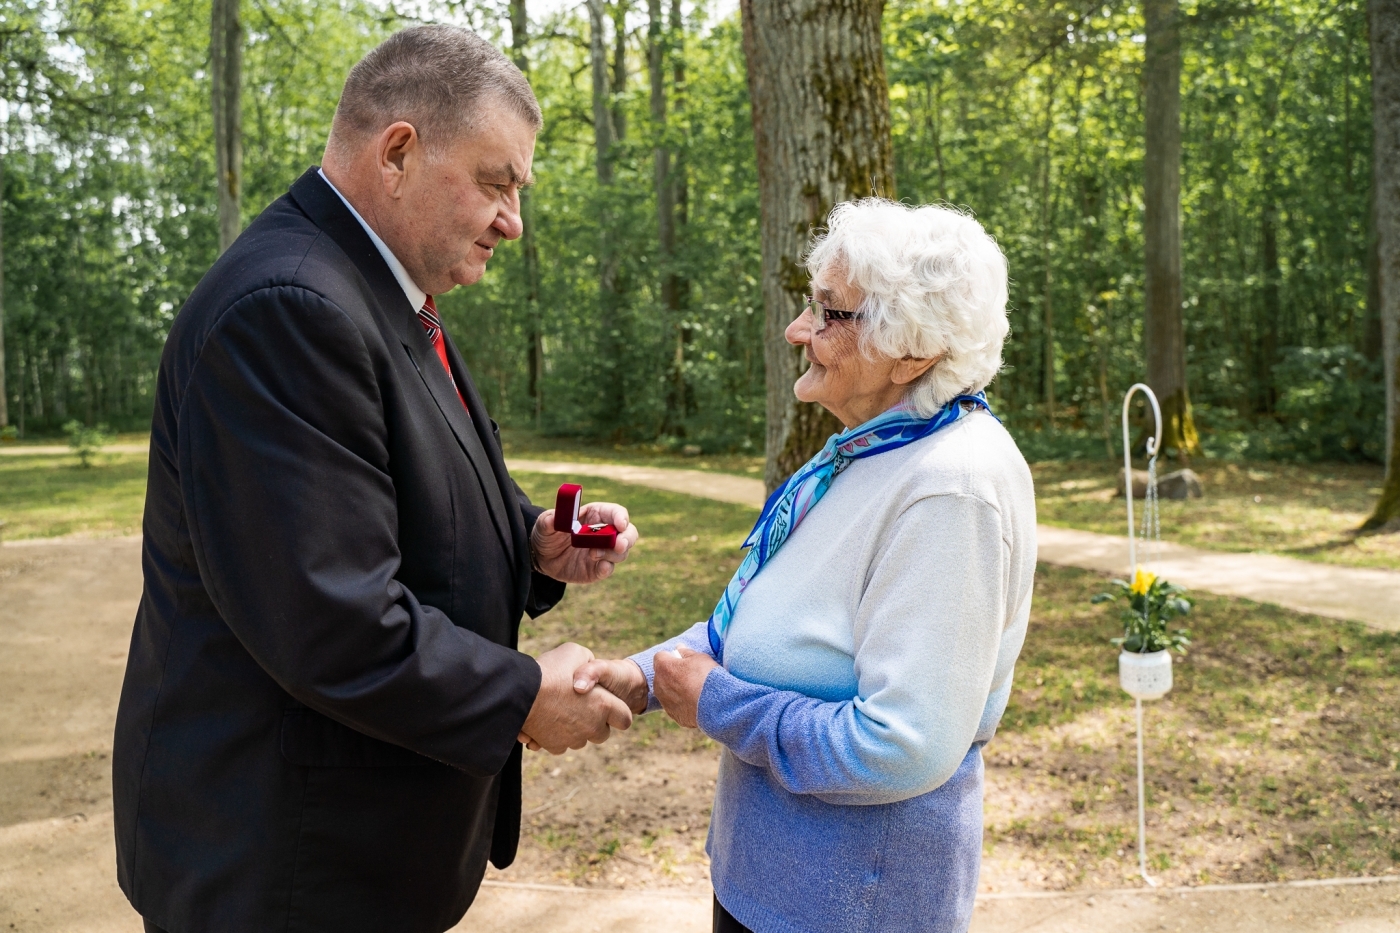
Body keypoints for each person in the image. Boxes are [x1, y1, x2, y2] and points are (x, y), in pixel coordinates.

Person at [112, 26, 638, 933]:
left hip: (353, 858)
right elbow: (331, 617)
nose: (514, 220)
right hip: (288, 868)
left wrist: (534, 546)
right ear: (398, 151)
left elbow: (401, 498)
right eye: (498, 181)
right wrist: (521, 697)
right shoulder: (289, 308)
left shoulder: (384, 295)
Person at [577, 199, 1037, 933]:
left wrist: (719, 703)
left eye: (829, 314)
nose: (798, 331)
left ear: (913, 352)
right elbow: (776, 625)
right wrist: (642, 676)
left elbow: (900, 747)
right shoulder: (872, 449)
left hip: (850, 906)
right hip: (771, 887)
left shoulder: (953, 486)